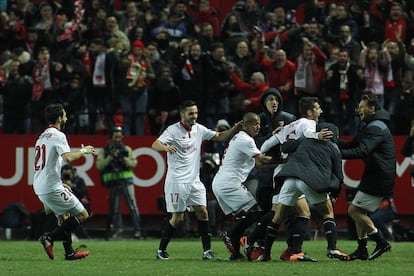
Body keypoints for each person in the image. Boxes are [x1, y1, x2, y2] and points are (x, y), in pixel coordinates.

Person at [152, 100, 242, 261]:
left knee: (203, 212)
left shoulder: (199, 129)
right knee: (177, 218)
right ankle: (161, 250)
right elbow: (155, 144)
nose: (194, 116)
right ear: (182, 114)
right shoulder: (172, 130)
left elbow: (219, 137)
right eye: (191, 113)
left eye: (196, 112)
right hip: (177, 181)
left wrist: (234, 129)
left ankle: (207, 251)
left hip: (194, 181)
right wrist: (165, 148)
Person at [248, 97, 332, 261]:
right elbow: (308, 134)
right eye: (318, 108)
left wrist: (259, 157)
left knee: (277, 213)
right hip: (292, 172)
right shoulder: (308, 123)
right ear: (309, 112)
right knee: (303, 212)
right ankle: (294, 252)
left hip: (280, 173)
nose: (320, 111)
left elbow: (266, 145)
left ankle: (257, 244)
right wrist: (318, 136)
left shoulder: (289, 126)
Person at [259, 122, 350, 262]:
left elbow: (285, 147)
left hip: (289, 178)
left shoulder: (305, 140)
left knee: (277, 217)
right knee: (327, 212)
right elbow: (339, 176)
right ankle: (332, 248)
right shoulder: (334, 148)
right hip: (309, 180)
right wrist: (335, 194)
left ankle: (266, 254)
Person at [33, 103, 95, 260]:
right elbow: (68, 158)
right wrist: (83, 151)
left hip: (41, 184)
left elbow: (49, 163)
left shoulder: (42, 136)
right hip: (50, 186)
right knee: (82, 214)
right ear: (60, 118)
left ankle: (69, 252)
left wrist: (60, 183)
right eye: (65, 115)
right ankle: (49, 238)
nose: (66, 117)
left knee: (63, 217)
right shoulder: (58, 135)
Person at [338, 93, 395, 260]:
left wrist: (336, 154)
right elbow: (351, 144)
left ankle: (381, 242)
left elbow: (362, 150)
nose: (358, 110)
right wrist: (332, 141)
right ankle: (362, 249)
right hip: (375, 174)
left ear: (372, 109)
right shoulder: (370, 125)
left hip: (379, 176)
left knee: (354, 211)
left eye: (362, 107)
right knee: (360, 211)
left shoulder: (375, 127)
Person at [212, 112, 274, 260]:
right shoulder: (245, 140)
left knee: (245, 217)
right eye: (253, 123)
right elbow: (260, 161)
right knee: (257, 213)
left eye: (258, 123)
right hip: (229, 183)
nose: (257, 126)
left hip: (221, 182)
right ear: (244, 125)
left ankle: (235, 253)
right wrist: (285, 162)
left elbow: (258, 161)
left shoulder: (240, 138)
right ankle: (232, 235)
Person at [96, 126, 143, 239]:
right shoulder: (105, 150)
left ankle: (138, 231)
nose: (118, 138)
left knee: (133, 206)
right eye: (115, 136)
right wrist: (110, 157)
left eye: (119, 136)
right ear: (111, 137)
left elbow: (134, 163)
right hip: (113, 183)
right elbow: (99, 165)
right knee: (115, 209)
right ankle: (118, 230)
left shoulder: (126, 149)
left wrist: (124, 159)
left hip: (126, 182)